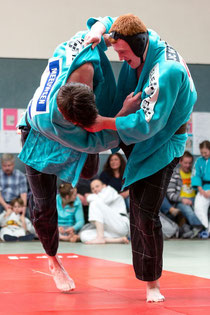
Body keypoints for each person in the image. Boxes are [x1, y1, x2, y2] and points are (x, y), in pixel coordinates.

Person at [83, 14, 197, 302]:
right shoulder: (140, 38)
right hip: (132, 128)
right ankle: (147, 277)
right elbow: (111, 21)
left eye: (123, 52)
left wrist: (106, 121)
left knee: (144, 214)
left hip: (162, 141)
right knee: (137, 211)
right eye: (118, 51)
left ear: (139, 43)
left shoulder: (167, 70)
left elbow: (149, 123)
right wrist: (98, 31)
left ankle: (152, 283)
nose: (121, 57)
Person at [18, 25, 140, 292]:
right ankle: (53, 260)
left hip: (78, 120)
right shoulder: (50, 120)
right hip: (38, 139)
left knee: (86, 174)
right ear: (70, 118)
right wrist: (122, 114)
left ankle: (90, 130)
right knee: (44, 204)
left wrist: (99, 31)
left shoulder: (83, 47)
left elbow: (106, 19)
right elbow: (98, 142)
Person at [79, 179, 129, 244]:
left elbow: (99, 200)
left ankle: (100, 238)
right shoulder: (97, 197)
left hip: (121, 225)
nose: (95, 189)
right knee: (83, 235)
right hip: (110, 230)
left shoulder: (109, 190)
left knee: (94, 203)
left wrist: (88, 196)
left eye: (97, 186)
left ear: (104, 186)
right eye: (93, 189)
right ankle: (117, 240)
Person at [167, 151, 204, 238]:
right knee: (187, 210)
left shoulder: (194, 174)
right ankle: (199, 227)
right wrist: (182, 199)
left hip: (195, 199)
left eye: (190, 163)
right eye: (185, 163)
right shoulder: (175, 174)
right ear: (180, 162)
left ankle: (193, 231)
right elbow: (170, 194)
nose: (188, 165)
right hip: (180, 201)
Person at [192, 140, 210, 237]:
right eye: (202, 152)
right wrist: (200, 189)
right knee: (198, 207)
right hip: (203, 188)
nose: (203, 154)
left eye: (205, 152)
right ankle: (205, 228)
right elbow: (196, 175)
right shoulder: (198, 161)